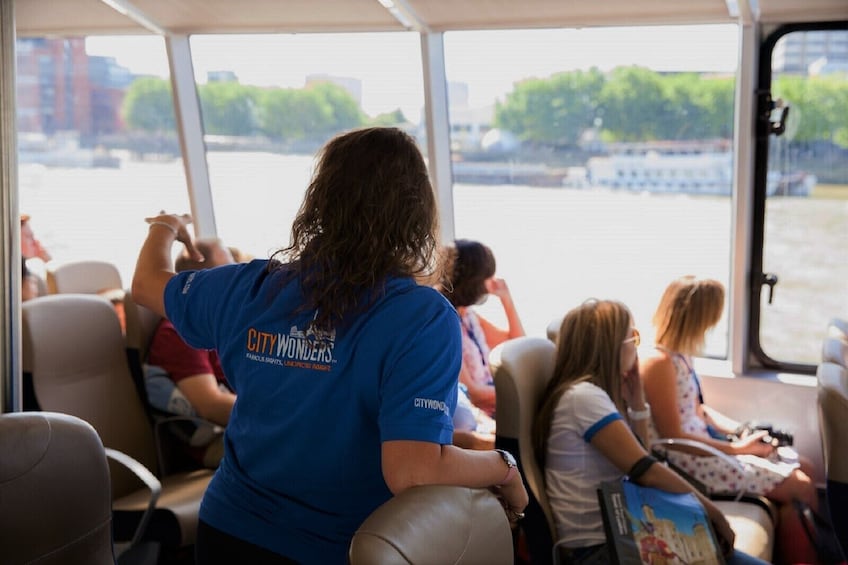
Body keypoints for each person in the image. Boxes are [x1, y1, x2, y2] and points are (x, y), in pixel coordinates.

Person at [132, 127, 528, 565]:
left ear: (320, 201)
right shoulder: (420, 315)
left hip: (226, 533)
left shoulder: (249, 287)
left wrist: (166, 227)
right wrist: (503, 467)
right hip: (335, 547)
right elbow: (412, 470)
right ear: (416, 212)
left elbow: (147, 284)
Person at [532, 299, 767, 565]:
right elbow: (646, 470)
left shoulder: (589, 396)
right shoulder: (584, 399)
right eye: (633, 336)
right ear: (613, 347)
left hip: (617, 537)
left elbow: (641, 456)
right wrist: (714, 514)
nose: (636, 345)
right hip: (599, 550)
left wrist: (636, 403)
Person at [640, 276, 821, 563]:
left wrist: (741, 432)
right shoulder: (658, 364)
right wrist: (739, 450)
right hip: (687, 460)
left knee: (806, 466)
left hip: (705, 448)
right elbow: (674, 437)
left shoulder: (682, 356)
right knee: (801, 486)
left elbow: (700, 411)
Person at [145, 238, 237, 468]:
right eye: (230, 268)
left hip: (244, 429)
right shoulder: (179, 332)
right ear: (207, 279)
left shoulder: (218, 323)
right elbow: (211, 405)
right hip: (220, 442)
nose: (239, 277)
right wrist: (278, 416)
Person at [438, 239, 525, 417]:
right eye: (486, 278)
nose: (489, 285)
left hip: (498, 405)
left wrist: (506, 300)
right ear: (473, 282)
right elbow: (473, 393)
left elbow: (517, 346)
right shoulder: (443, 321)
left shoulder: (468, 316)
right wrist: (524, 393)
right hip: (482, 415)